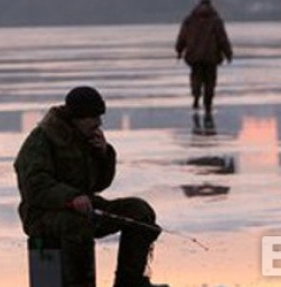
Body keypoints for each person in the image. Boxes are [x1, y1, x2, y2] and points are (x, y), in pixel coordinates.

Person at [14, 86, 168, 287]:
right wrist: (70, 197)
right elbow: (34, 186)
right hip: (43, 214)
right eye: (93, 117)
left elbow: (100, 184)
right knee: (77, 225)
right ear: (77, 117)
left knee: (139, 213)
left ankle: (129, 282)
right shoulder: (42, 139)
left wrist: (103, 154)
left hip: (83, 206)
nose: (98, 123)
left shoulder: (85, 137)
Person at [174, 0, 233, 121]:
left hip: (194, 56)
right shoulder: (216, 21)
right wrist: (228, 54)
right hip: (211, 57)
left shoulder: (189, 20)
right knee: (210, 82)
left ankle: (196, 97)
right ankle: (208, 104)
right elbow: (222, 39)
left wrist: (179, 50)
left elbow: (182, 37)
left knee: (196, 78)